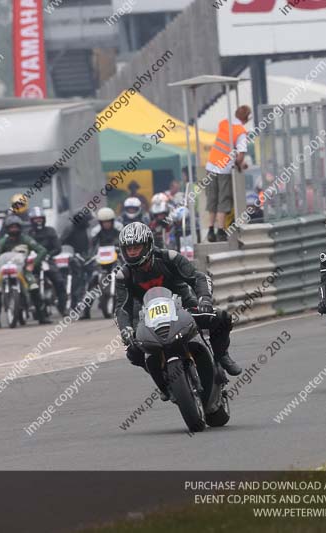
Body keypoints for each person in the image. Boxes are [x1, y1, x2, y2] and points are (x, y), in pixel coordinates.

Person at [114, 223, 242, 401]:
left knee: (221, 318)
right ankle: (164, 380)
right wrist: (125, 329)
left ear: (148, 244)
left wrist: (204, 299)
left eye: (137, 247)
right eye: (129, 248)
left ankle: (222, 356)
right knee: (133, 350)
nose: (133, 252)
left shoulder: (169, 257)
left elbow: (198, 277)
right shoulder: (123, 276)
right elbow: (122, 308)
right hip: (147, 319)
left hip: (183, 307)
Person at [0, 215, 51, 327]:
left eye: (16, 227)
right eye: (11, 227)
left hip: (23, 270)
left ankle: (42, 316)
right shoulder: (3, 241)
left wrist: (33, 264)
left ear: (20, 228)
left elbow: (42, 250)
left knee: (34, 287)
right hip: (5, 270)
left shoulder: (26, 239)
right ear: (7, 229)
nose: (14, 229)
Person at [205, 105, 251, 243]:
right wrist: (240, 165)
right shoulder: (241, 132)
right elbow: (240, 156)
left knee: (212, 198)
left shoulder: (224, 123)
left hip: (211, 165)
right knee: (223, 200)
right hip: (224, 168)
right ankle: (220, 231)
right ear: (246, 118)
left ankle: (210, 230)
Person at [28, 207, 68, 316]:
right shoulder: (28, 233)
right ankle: (28, 306)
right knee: (26, 280)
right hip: (33, 262)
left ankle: (62, 306)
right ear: (31, 221)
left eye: (40, 218)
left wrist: (49, 255)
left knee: (59, 281)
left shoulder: (50, 231)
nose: (38, 221)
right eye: (35, 219)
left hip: (47, 261)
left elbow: (58, 247)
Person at [61, 210, 93, 313]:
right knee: (76, 280)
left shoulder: (88, 230)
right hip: (74, 258)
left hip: (88, 258)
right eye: (87, 220)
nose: (89, 222)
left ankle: (87, 304)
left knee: (91, 280)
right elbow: (61, 241)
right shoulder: (70, 229)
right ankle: (72, 302)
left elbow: (93, 244)